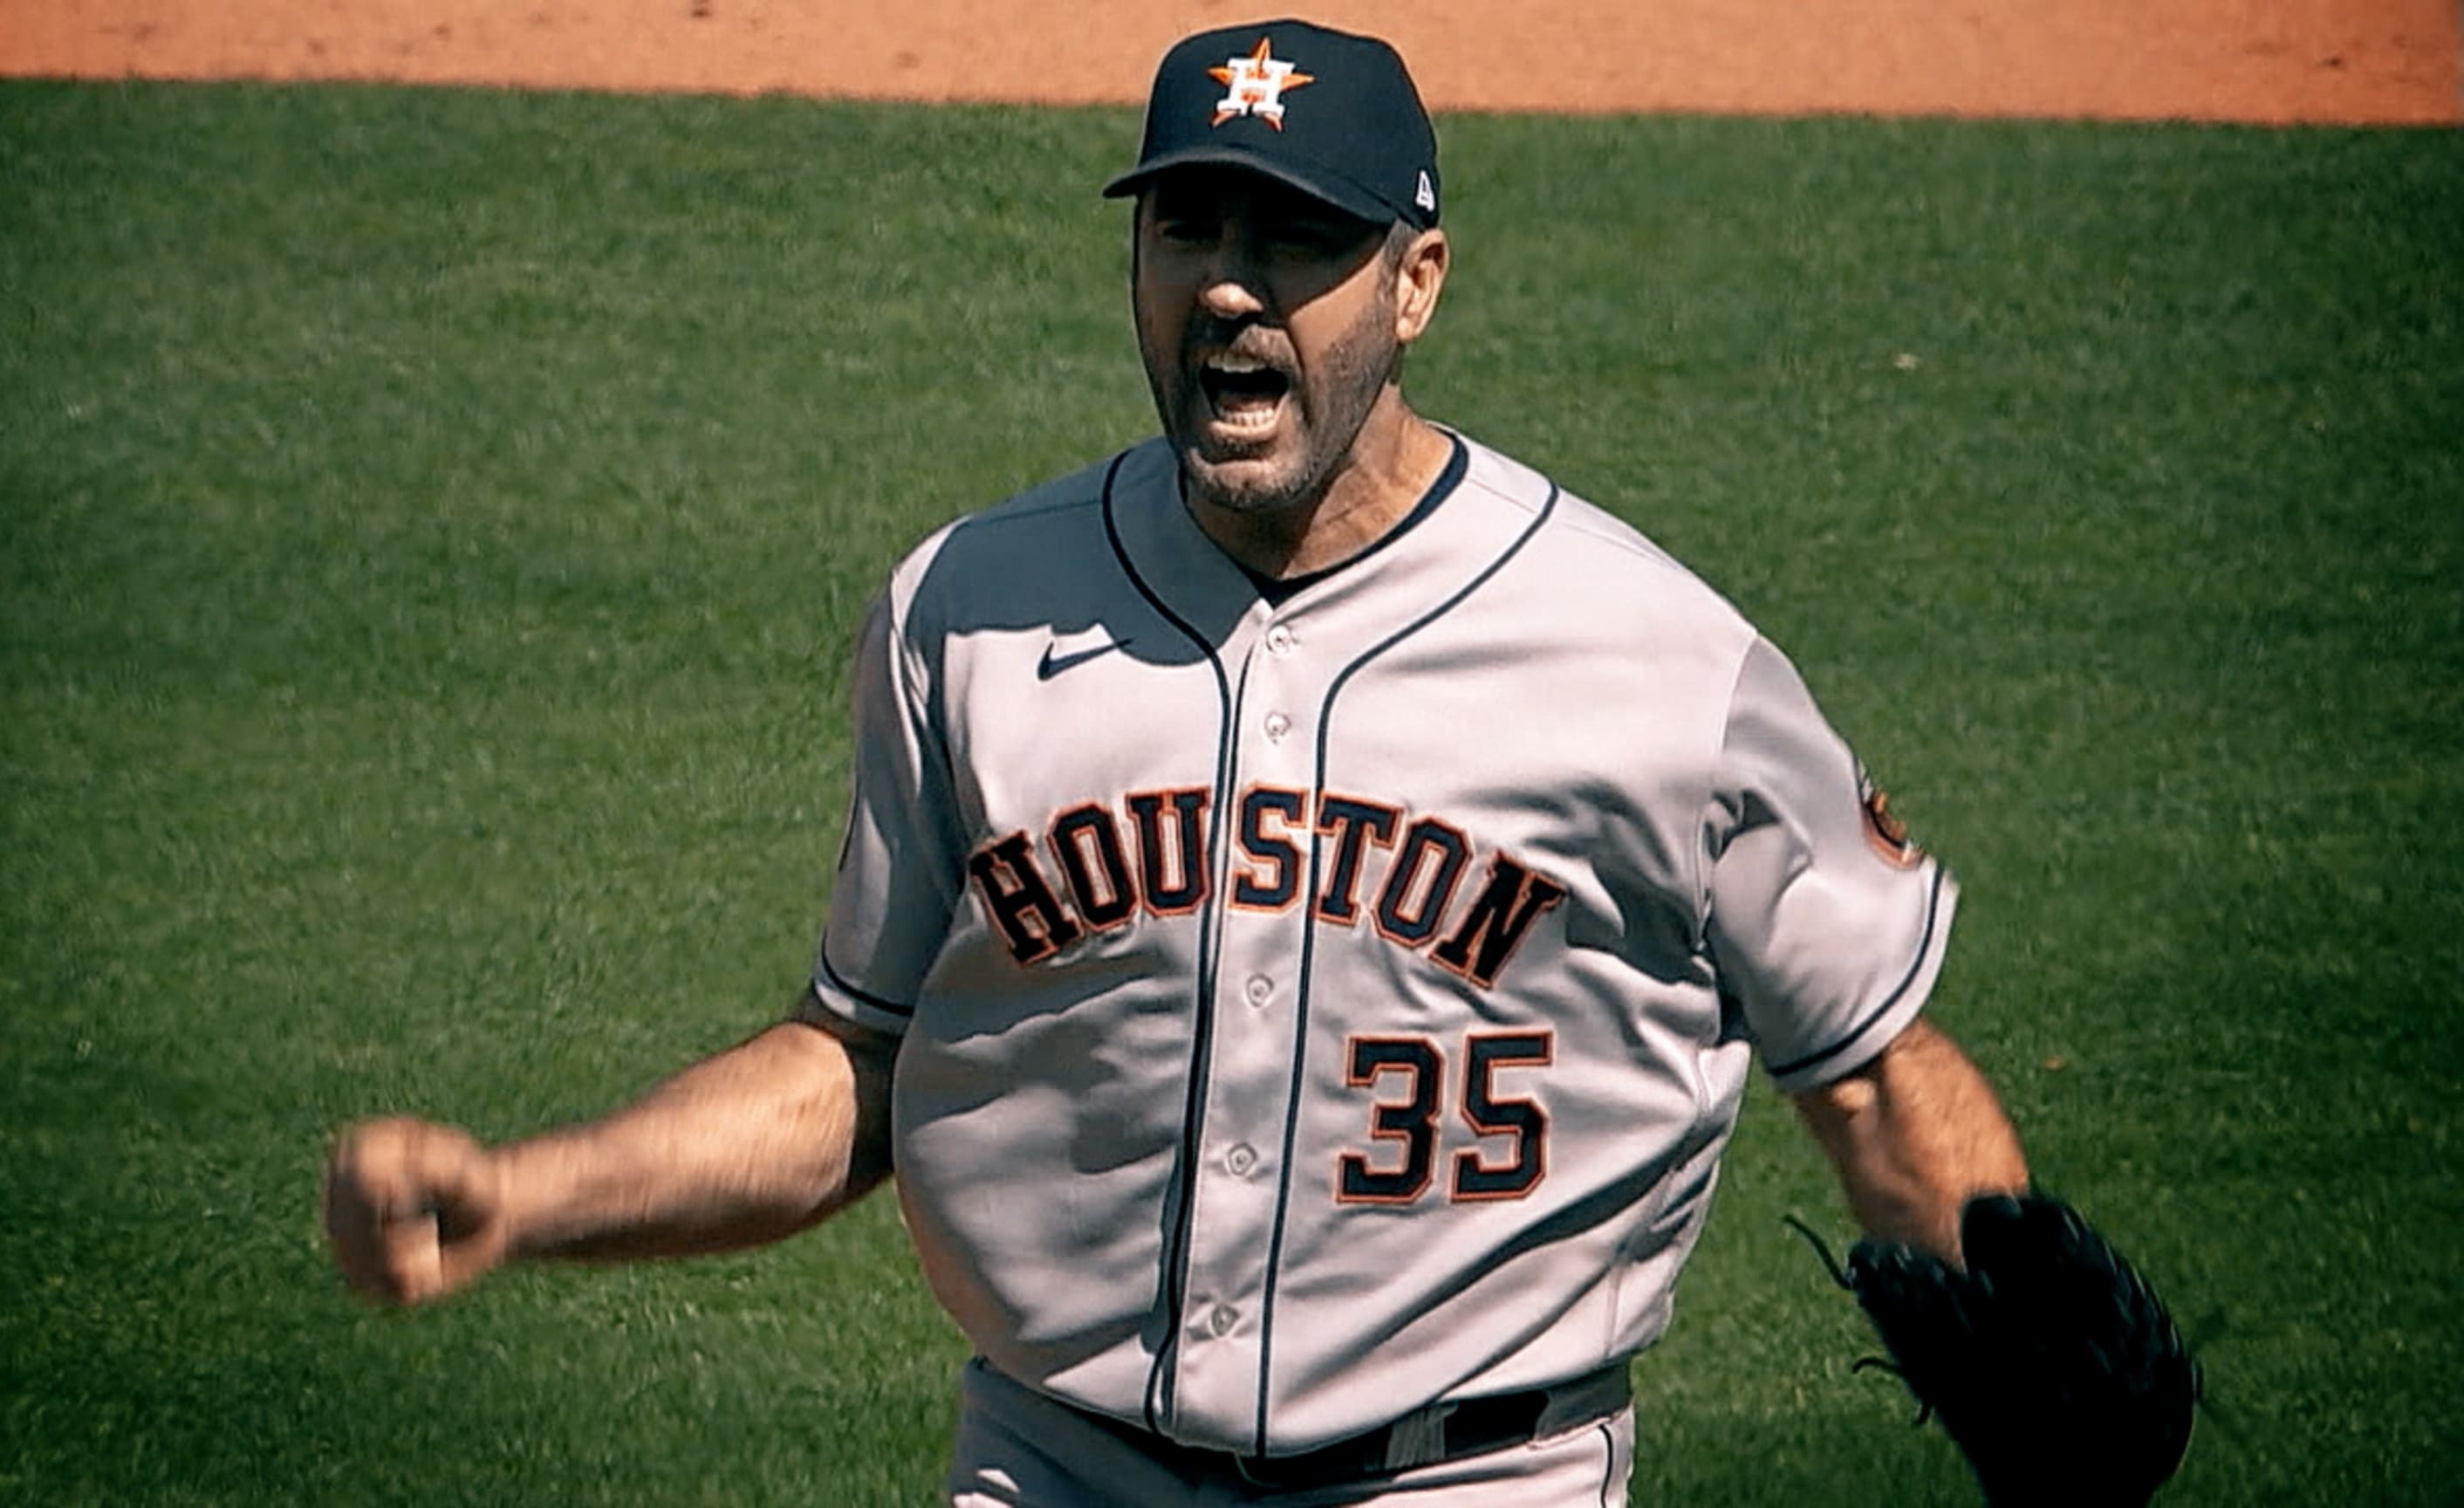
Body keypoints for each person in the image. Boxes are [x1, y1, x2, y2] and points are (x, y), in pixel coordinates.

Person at [325, 20, 2041, 1505]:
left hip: (1476, 1478)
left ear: (1416, 283)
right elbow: (859, 1068)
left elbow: (1875, 1076)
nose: (1229, 281)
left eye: (1295, 237)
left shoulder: (1660, 668)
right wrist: (525, 1197)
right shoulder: (970, 612)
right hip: (1053, 1466)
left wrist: (2040, 1394)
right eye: (1188, 226)